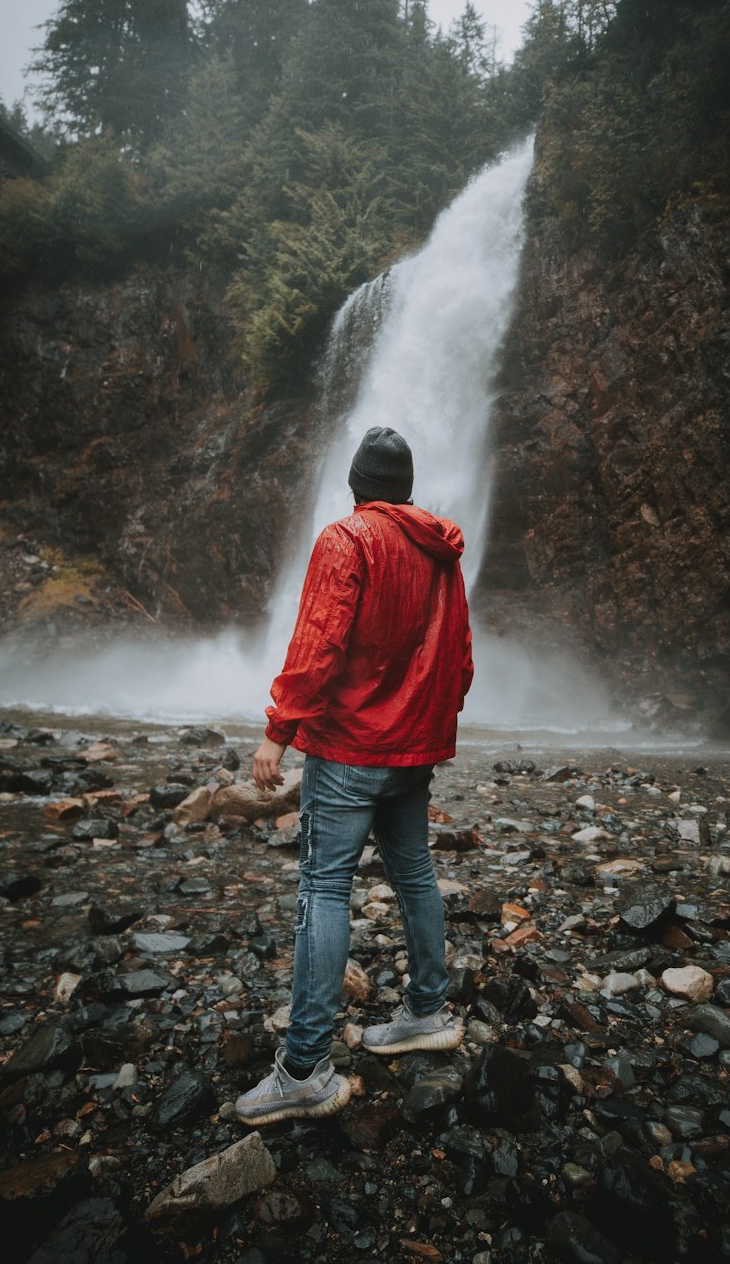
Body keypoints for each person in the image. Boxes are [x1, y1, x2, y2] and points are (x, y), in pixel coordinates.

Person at [235, 425, 473, 1127]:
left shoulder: (346, 540)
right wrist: (429, 723)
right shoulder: (440, 553)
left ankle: (305, 1069)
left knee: (324, 889)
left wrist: (279, 732)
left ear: (356, 484)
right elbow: (459, 658)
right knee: (417, 875)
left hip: (350, 751)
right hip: (412, 750)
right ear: (404, 488)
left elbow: (319, 643)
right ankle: (428, 1009)